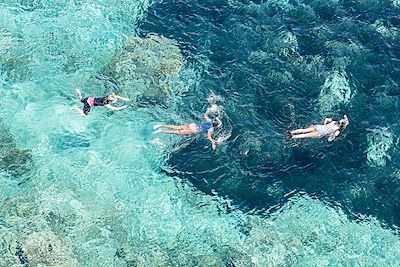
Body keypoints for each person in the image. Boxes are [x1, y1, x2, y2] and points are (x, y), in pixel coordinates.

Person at [154, 112, 222, 149]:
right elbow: (209, 136)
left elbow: (205, 115)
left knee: (177, 127)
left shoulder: (209, 120)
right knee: (177, 132)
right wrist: (212, 141)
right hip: (194, 130)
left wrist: (209, 110)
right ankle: (161, 131)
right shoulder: (211, 129)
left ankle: (161, 125)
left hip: (192, 125)